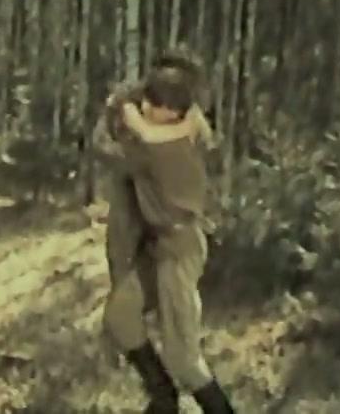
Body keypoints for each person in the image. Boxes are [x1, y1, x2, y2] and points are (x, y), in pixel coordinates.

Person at [102, 58, 234, 413]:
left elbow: (119, 141)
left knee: (184, 360)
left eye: (156, 103)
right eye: (149, 99)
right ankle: (162, 396)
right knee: (122, 315)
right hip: (159, 248)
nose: (147, 106)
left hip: (180, 251)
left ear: (174, 112)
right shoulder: (178, 130)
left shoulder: (166, 146)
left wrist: (123, 104)